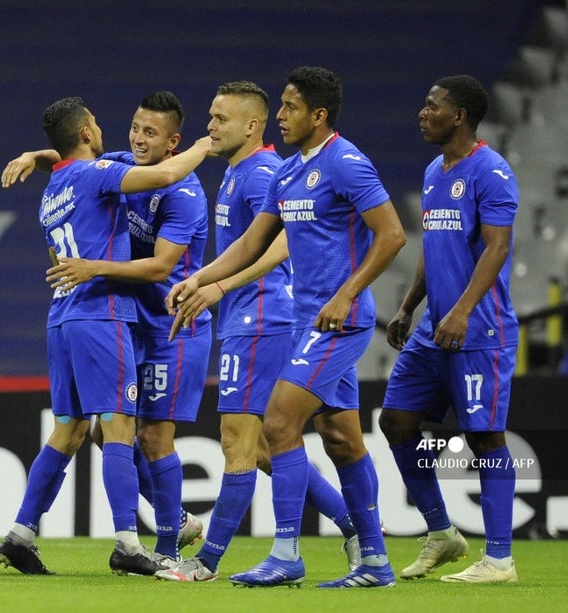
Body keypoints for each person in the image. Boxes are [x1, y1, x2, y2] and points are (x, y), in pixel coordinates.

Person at [167, 67, 406, 588]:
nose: (280, 115)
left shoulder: (346, 162)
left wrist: (347, 294)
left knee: (276, 424)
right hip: (304, 321)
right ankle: (374, 560)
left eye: (291, 107)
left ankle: (285, 554)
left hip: (339, 321)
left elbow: (392, 235)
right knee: (341, 439)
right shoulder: (288, 172)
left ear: (318, 115)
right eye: (280, 104)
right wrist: (200, 278)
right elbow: (252, 242)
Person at [0, 96, 211, 575]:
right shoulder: (98, 174)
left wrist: (34, 154)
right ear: (87, 133)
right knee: (118, 426)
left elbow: (65, 165)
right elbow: (165, 175)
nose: (131, 136)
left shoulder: (55, 187)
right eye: (101, 123)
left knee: (70, 429)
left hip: (62, 317)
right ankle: (128, 543)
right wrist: (205, 146)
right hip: (103, 314)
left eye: (146, 131)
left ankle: (20, 534)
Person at [378, 75, 519, 584]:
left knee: (484, 437)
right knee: (396, 422)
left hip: (479, 329)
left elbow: (497, 247)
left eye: (432, 105)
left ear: (459, 116)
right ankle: (441, 531)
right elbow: (433, 246)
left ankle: (499, 560)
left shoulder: (492, 171)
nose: (422, 113)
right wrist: (407, 306)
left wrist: (461, 310)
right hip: (434, 329)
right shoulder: (435, 171)